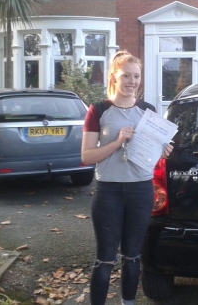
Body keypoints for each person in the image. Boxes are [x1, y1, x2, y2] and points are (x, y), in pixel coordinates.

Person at [81, 50, 173, 305]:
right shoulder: (98, 110)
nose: (132, 82)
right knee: (105, 258)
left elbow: (151, 155)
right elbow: (87, 156)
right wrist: (118, 141)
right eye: (126, 76)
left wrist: (163, 150)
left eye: (136, 76)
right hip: (108, 191)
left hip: (141, 190)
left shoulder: (148, 111)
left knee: (133, 256)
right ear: (114, 77)